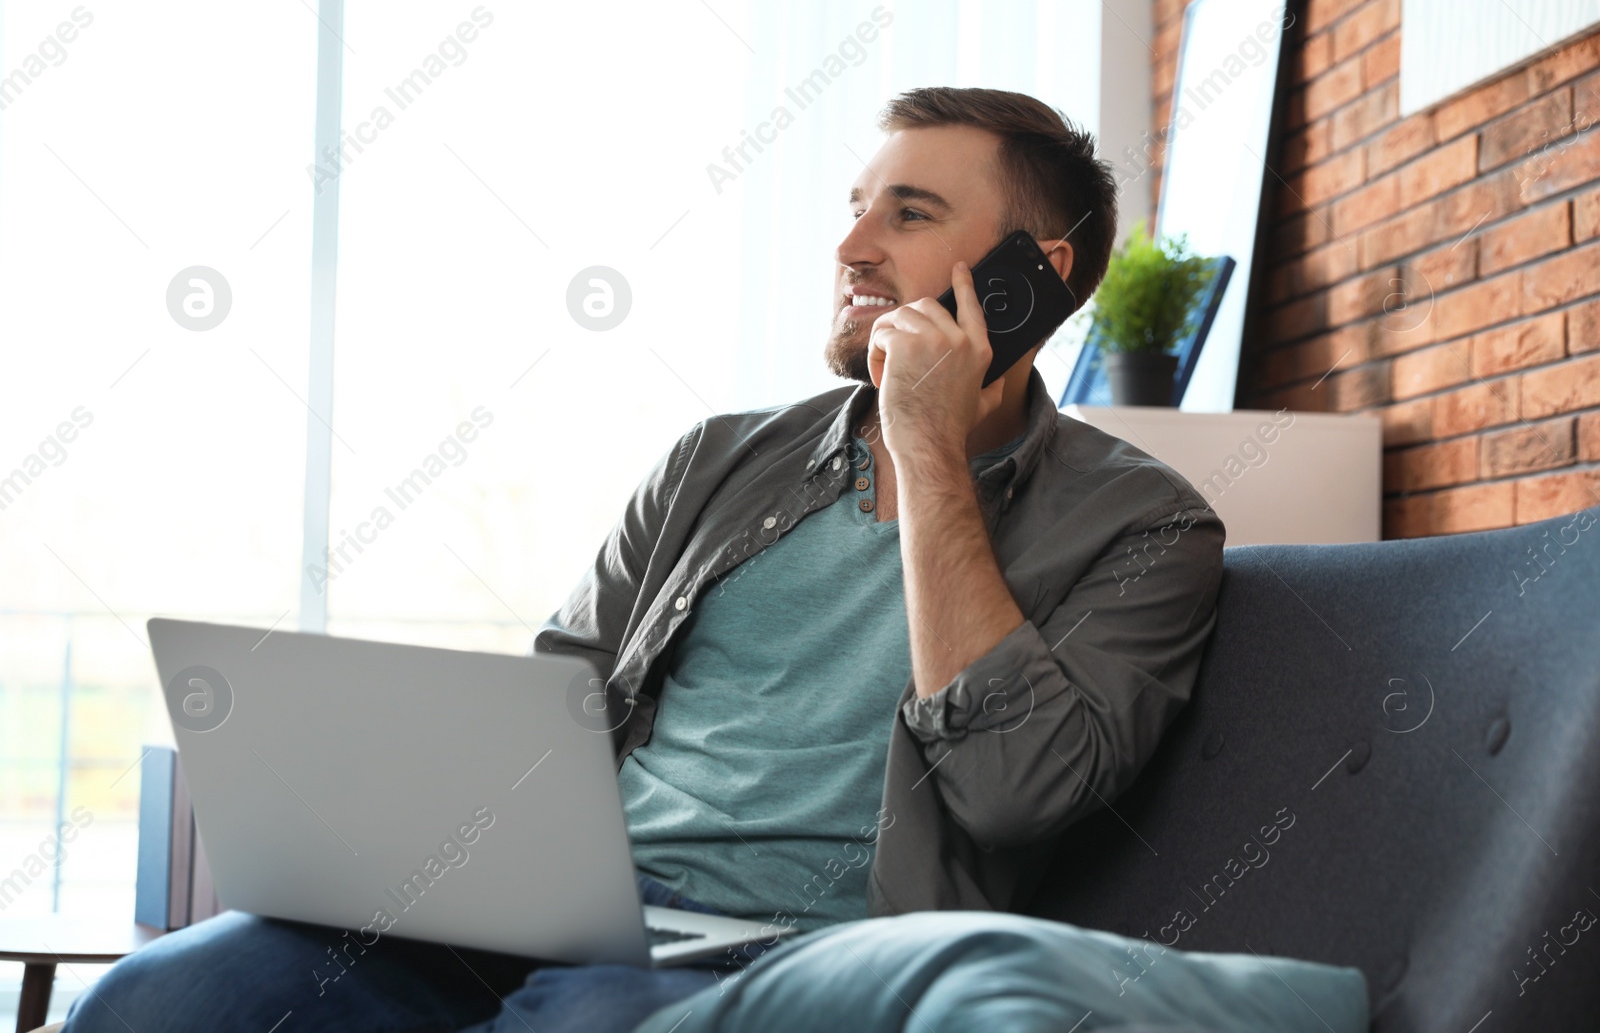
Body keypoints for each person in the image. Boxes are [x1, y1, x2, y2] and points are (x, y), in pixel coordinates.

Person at [62, 86, 1224, 1033]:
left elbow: (1017, 793)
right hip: (554, 906)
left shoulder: (1145, 528)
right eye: (855, 205)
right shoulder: (715, 460)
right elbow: (557, 699)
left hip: (792, 946)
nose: (850, 244)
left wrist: (926, 446)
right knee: (162, 996)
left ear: (1040, 276)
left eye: (908, 214)